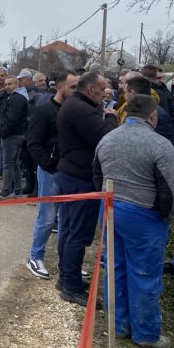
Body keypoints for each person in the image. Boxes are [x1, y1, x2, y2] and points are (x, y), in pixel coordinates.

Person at [93, 95, 174, 348]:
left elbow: (96, 174)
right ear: (153, 115)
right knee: (144, 273)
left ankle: (118, 325)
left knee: (115, 267)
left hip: (110, 208)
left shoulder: (108, 138)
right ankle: (146, 332)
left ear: (125, 112)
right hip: (143, 214)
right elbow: (170, 189)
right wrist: (167, 216)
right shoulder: (159, 144)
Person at [56, 72, 118, 306]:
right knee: (79, 233)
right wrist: (110, 117)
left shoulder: (76, 104)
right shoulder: (81, 109)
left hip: (71, 172)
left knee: (69, 228)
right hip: (79, 176)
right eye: (102, 90)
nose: (105, 94)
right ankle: (70, 285)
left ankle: (67, 276)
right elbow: (105, 138)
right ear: (90, 88)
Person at [25, 71, 79, 278]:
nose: (77, 91)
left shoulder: (76, 111)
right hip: (52, 172)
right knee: (47, 218)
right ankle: (35, 256)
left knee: (66, 220)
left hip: (71, 172)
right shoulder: (44, 110)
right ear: (60, 87)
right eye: (73, 87)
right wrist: (50, 165)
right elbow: (33, 143)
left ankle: (65, 260)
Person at [0, 75, 28, 199]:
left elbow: (12, 118)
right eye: (6, 84)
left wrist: (3, 131)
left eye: (10, 84)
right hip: (16, 134)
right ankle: (17, 191)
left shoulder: (17, 98)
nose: (7, 86)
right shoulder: (17, 97)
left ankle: (6, 191)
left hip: (12, 135)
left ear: (17, 85)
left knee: (8, 164)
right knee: (14, 164)